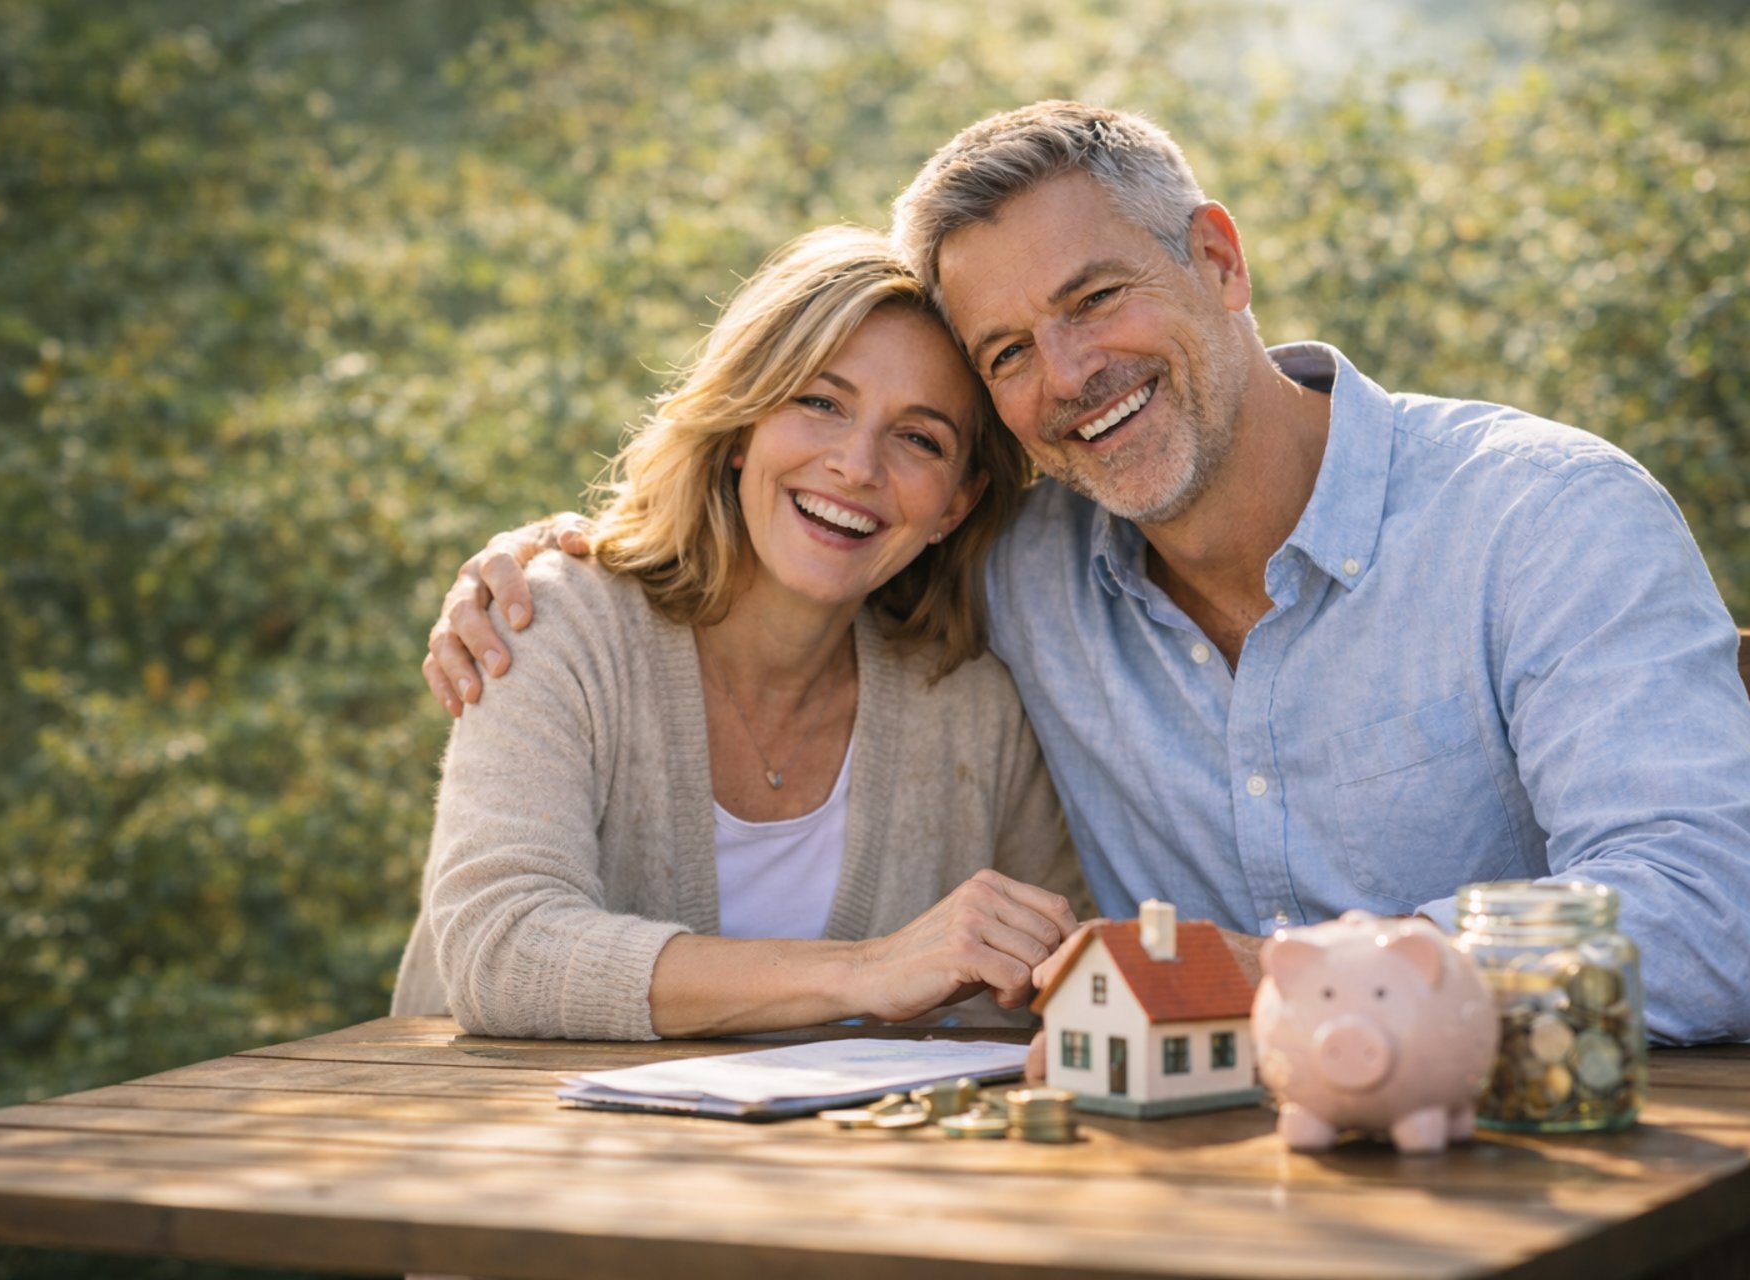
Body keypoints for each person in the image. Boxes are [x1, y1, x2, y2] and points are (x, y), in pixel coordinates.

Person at [426, 104, 1750, 1047]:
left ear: (1219, 260)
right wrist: (550, 558)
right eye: (1006, 353)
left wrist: (1289, 974)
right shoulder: (1022, 568)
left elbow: (1704, 924)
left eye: (1096, 298)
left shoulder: (1541, 521)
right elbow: (814, 520)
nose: (1065, 379)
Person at [394, 226, 1089, 1041]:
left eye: (919, 438)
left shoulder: (975, 710)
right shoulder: (552, 624)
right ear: (742, 425)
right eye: (820, 402)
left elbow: (1056, 989)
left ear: (956, 506)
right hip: (496, 1148)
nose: (857, 465)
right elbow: (502, 951)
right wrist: (870, 970)